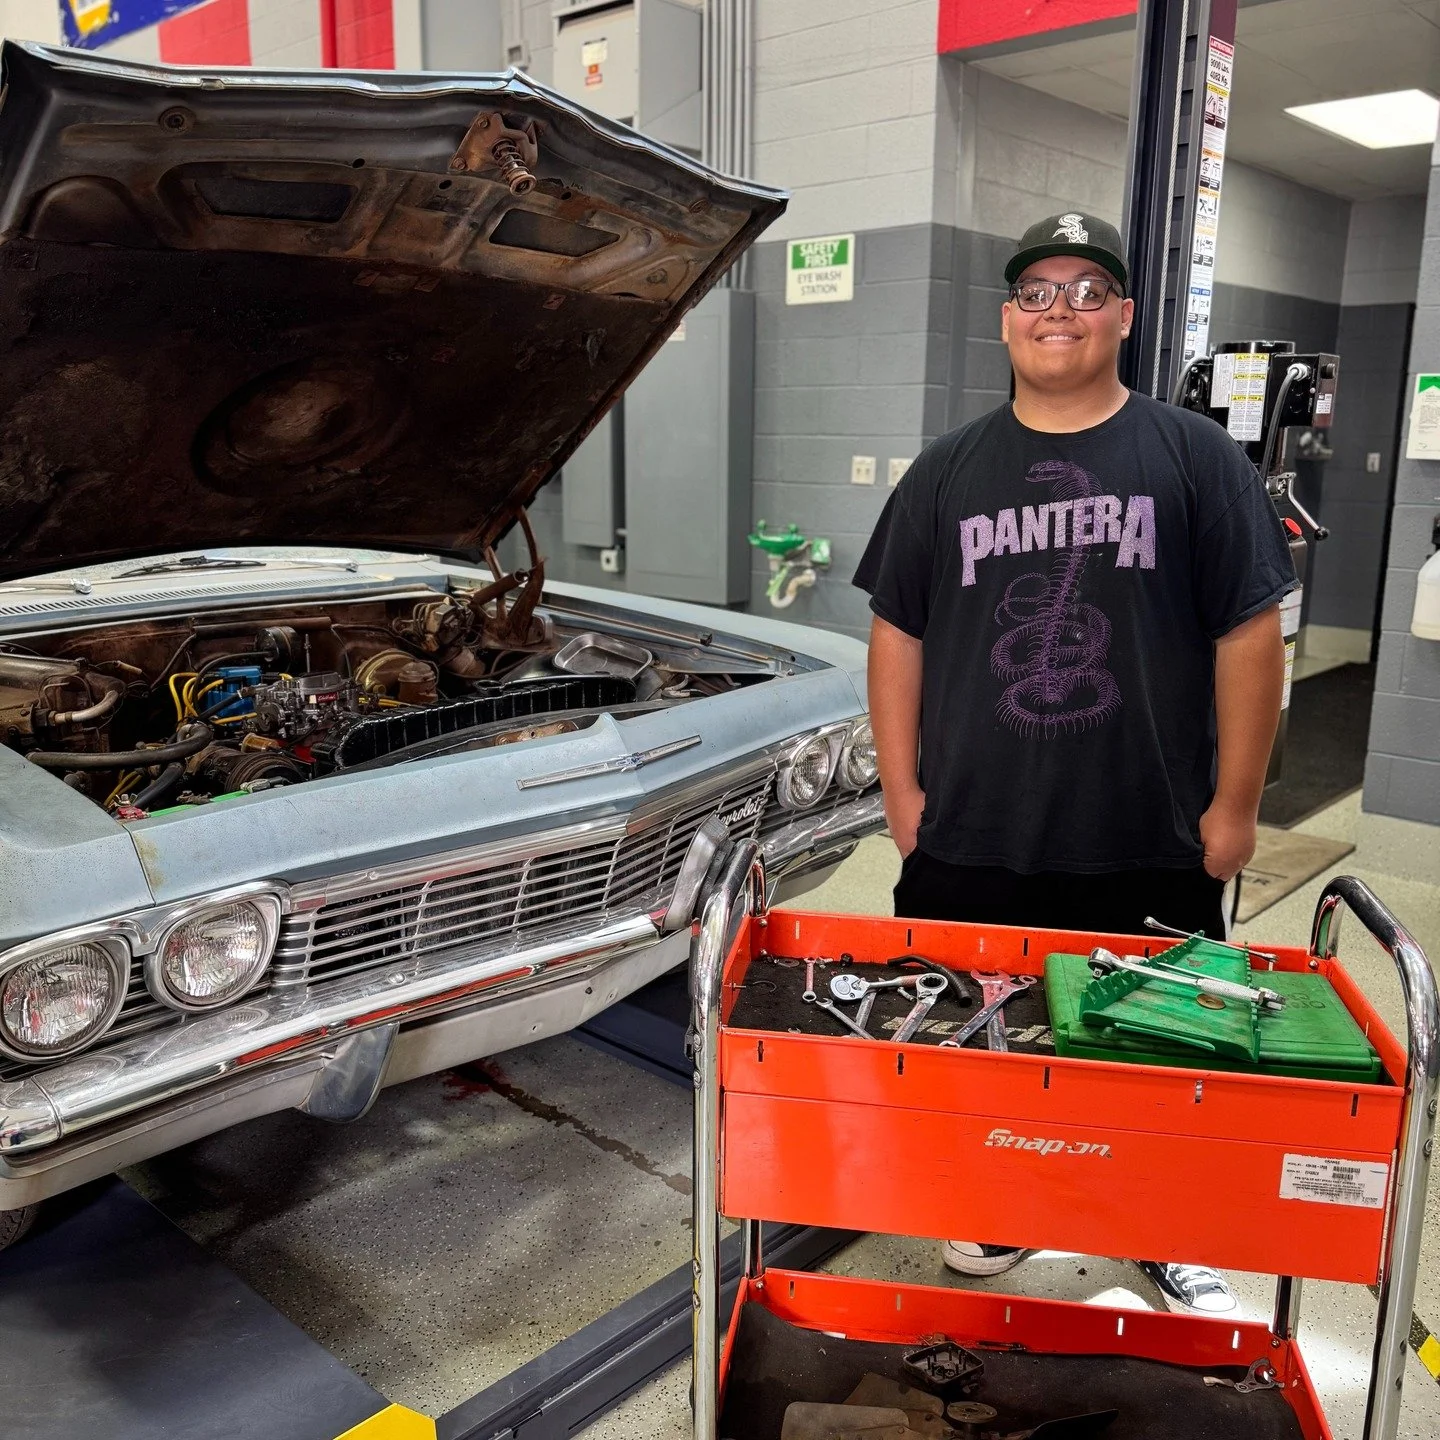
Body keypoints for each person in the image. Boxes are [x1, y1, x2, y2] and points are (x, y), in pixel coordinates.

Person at [853, 212, 1294, 1316]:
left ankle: (1157, 1223)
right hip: (973, 831)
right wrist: (902, 794)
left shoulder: (1193, 456)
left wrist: (1235, 806)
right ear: (1006, 319)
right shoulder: (947, 471)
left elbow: (1250, 635)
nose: (1061, 311)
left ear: (1127, 316)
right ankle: (998, 1209)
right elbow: (896, 633)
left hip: (1150, 827)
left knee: (1154, 1044)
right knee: (982, 1038)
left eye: (1087, 290)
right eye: (1038, 292)